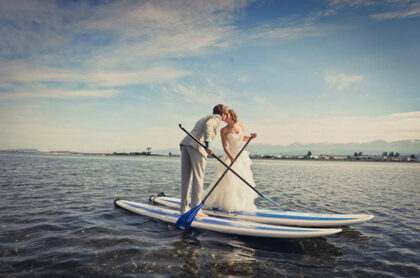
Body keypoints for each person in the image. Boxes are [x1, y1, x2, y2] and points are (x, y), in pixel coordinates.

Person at [203, 109, 258, 213]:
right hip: (231, 157)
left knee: (242, 182)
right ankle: (227, 205)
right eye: (224, 115)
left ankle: (240, 205)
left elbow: (243, 138)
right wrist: (231, 157)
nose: (224, 118)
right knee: (230, 182)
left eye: (226, 115)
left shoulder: (240, 125)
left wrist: (251, 137)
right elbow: (225, 146)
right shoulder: (223, 130)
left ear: (231, 115)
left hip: (242, 157)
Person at [179, 104, 229, 216]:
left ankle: (183, 208)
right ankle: (196, 210)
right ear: (223, 114)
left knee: (186, 178)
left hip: (186, 144)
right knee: (198, 178)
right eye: (227, 114)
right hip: (197, 147)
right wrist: (208, 144)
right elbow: (209, 125)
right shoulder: (216, 119)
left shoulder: (205, 117)